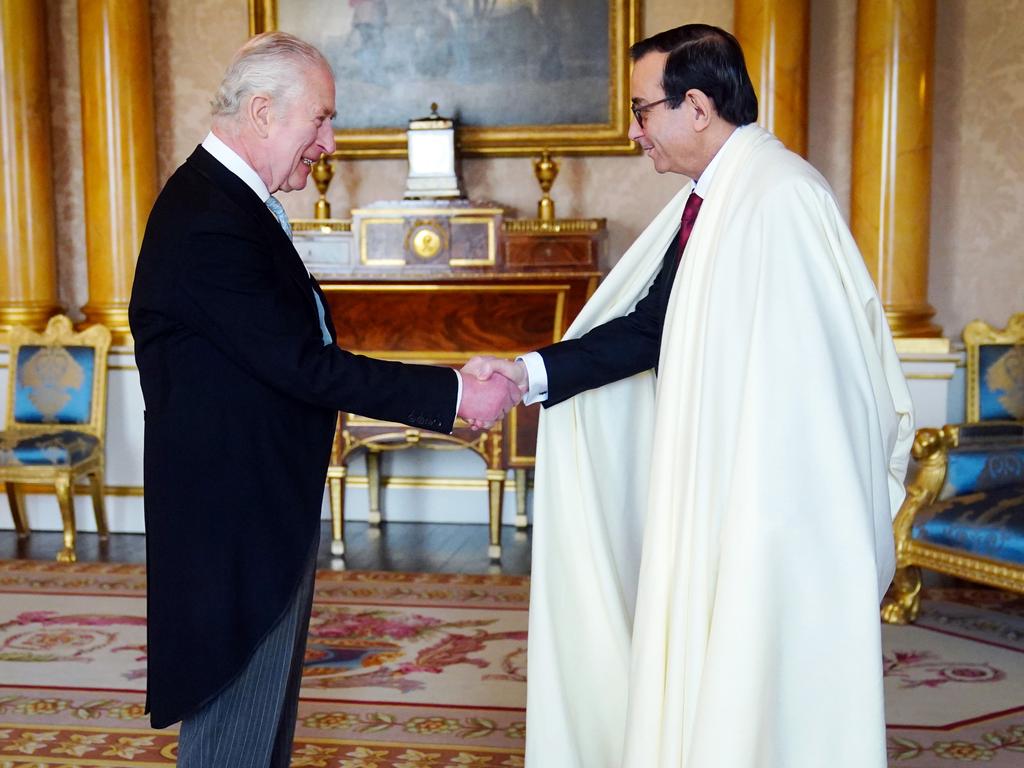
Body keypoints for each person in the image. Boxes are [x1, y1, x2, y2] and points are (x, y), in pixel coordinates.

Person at [466, 24, 914, 768]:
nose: (636, 133)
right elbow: (651, 330)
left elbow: (813, 384)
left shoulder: (781, 198)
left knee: (761, 693)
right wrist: (524, 375)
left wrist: (762, 519)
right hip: (727, 496)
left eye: (643, 111)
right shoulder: (715, 198)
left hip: (773, 514)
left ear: (697, 106)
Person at [128, 32, 518, 768]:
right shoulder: (210, 219)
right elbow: (307, 366)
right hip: (233, 525)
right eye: (322, 120)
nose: (329, 143)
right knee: (232, 738)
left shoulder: (232, 203)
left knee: (260, 732)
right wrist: (455, 392)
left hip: (260, 507)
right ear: (265, 111)